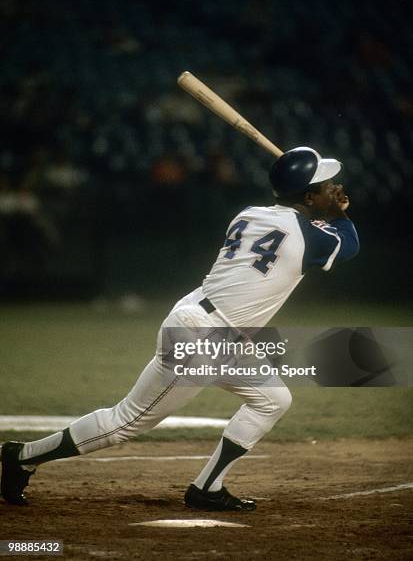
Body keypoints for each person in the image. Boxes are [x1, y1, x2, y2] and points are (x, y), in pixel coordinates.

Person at [1, 147, 359, 510]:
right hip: (203, 336)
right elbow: (349, 243)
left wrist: (322, 204)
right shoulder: (311, 239)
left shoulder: (249, 213)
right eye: (328, 185)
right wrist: (340, 213)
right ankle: (23, 456)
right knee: (126, 421)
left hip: (210, 326)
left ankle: (207, 487)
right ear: (309, 196)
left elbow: (299, 221)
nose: (336, 188)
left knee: (272, 400)